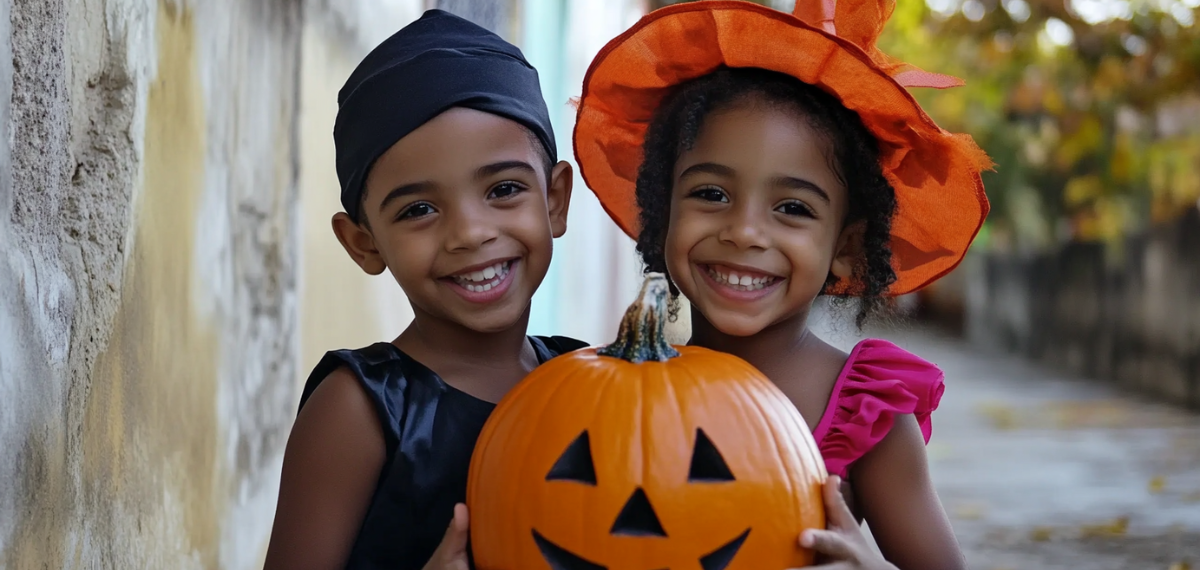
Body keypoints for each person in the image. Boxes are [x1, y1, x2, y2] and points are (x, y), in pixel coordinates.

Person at [573, 1, 993, 569]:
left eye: (792, 208)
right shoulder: (618, 389)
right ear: (662, 211)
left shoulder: (867, 411)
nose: (744, 232)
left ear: (844, 249)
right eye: (711, 194)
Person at [263, 10, 585, 570]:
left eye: (504, 189)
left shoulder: (591, 384)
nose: (469, 233)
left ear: (554, 200)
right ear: (364, 243)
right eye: (419, 209)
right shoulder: (360, 410)